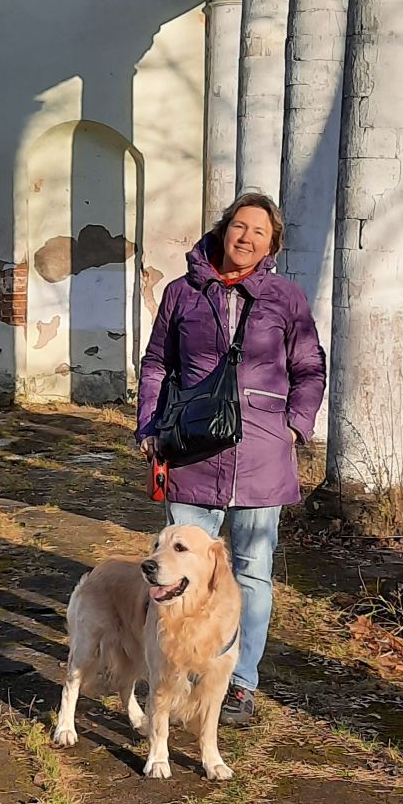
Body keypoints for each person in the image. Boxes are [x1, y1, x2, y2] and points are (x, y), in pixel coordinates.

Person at [137, 191, 326, 728]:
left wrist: (295, 425)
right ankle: (177, 670)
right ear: (223, 230)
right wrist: (149, 424)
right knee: (178, 570)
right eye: (239, 227)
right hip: (192, 451)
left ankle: (239, 682)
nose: (246, 238)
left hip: (263, 454)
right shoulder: (181, 293)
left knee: (251, 572)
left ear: (271, 246)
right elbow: (156, 363)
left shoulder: (286, 299)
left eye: (259, 232)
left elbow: (310, 366)